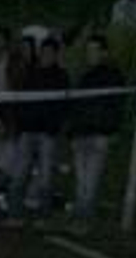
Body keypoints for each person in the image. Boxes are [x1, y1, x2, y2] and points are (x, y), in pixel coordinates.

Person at [67, 34, 127, 226]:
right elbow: (76, 106)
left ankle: (84, 220)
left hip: (98, 134)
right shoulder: (85, 77)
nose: (90, 54)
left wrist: (110, 130)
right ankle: (80, 218)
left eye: (94, 50)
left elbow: (116, 106)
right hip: (81, 134)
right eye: (88, 50)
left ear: (104, 52)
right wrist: (72, 131)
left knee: (90, 182)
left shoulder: (113, 76)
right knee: (81, 182)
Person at [9, 35, 68, 218]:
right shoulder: (30, 74)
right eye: (43, 51)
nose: (46, 55)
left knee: (45, 178)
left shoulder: (61, 76)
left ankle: (44, 216)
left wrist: (54, 128)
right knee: (18, 174)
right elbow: (21, 100)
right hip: (27, 131)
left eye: (50, 52)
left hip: (47, 134)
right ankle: (14, 213)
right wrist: (20, 125)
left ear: (56, 55)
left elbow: (63, 105)